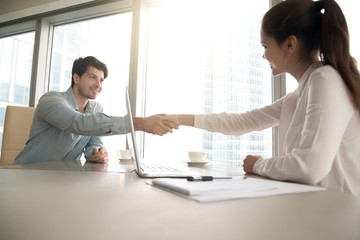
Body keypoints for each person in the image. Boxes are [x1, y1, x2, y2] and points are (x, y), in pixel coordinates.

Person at [164, 0, 360, 195]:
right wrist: (179, 119)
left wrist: (258, 164)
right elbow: (242, 122)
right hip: (317, 209)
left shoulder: (324, 78)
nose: (263, 56)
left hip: (340, 214)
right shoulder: (297, 96)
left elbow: (308, 168)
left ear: (290, 44)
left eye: (265, 46)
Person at [14, 56, 178, 164]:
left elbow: (93, 144)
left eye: (101, 80)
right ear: (76, 78)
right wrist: (140, 123)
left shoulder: (96, 108)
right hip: (27, 174)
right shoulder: (51, 100)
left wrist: (96, 154)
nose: (99, 85)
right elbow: (79, 123)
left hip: (62, 179)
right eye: (93, 77)